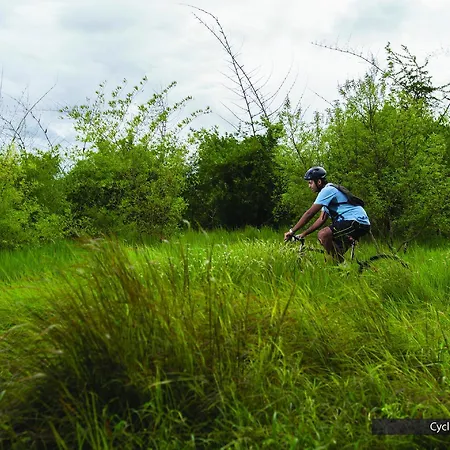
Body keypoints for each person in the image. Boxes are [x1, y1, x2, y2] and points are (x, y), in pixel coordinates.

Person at [284, 166, 371, 262]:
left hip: (355, 221)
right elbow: (321, 219)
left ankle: (342, 264)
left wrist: (292, 231)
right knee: (330, 256)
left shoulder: (327, 190)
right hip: (356, 222)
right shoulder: (327, 196)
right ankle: (344, 267)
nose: (309, 186)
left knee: (323, 235)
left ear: (319, 182)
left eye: (310, 182)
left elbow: (310, 213)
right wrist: (304, 234)